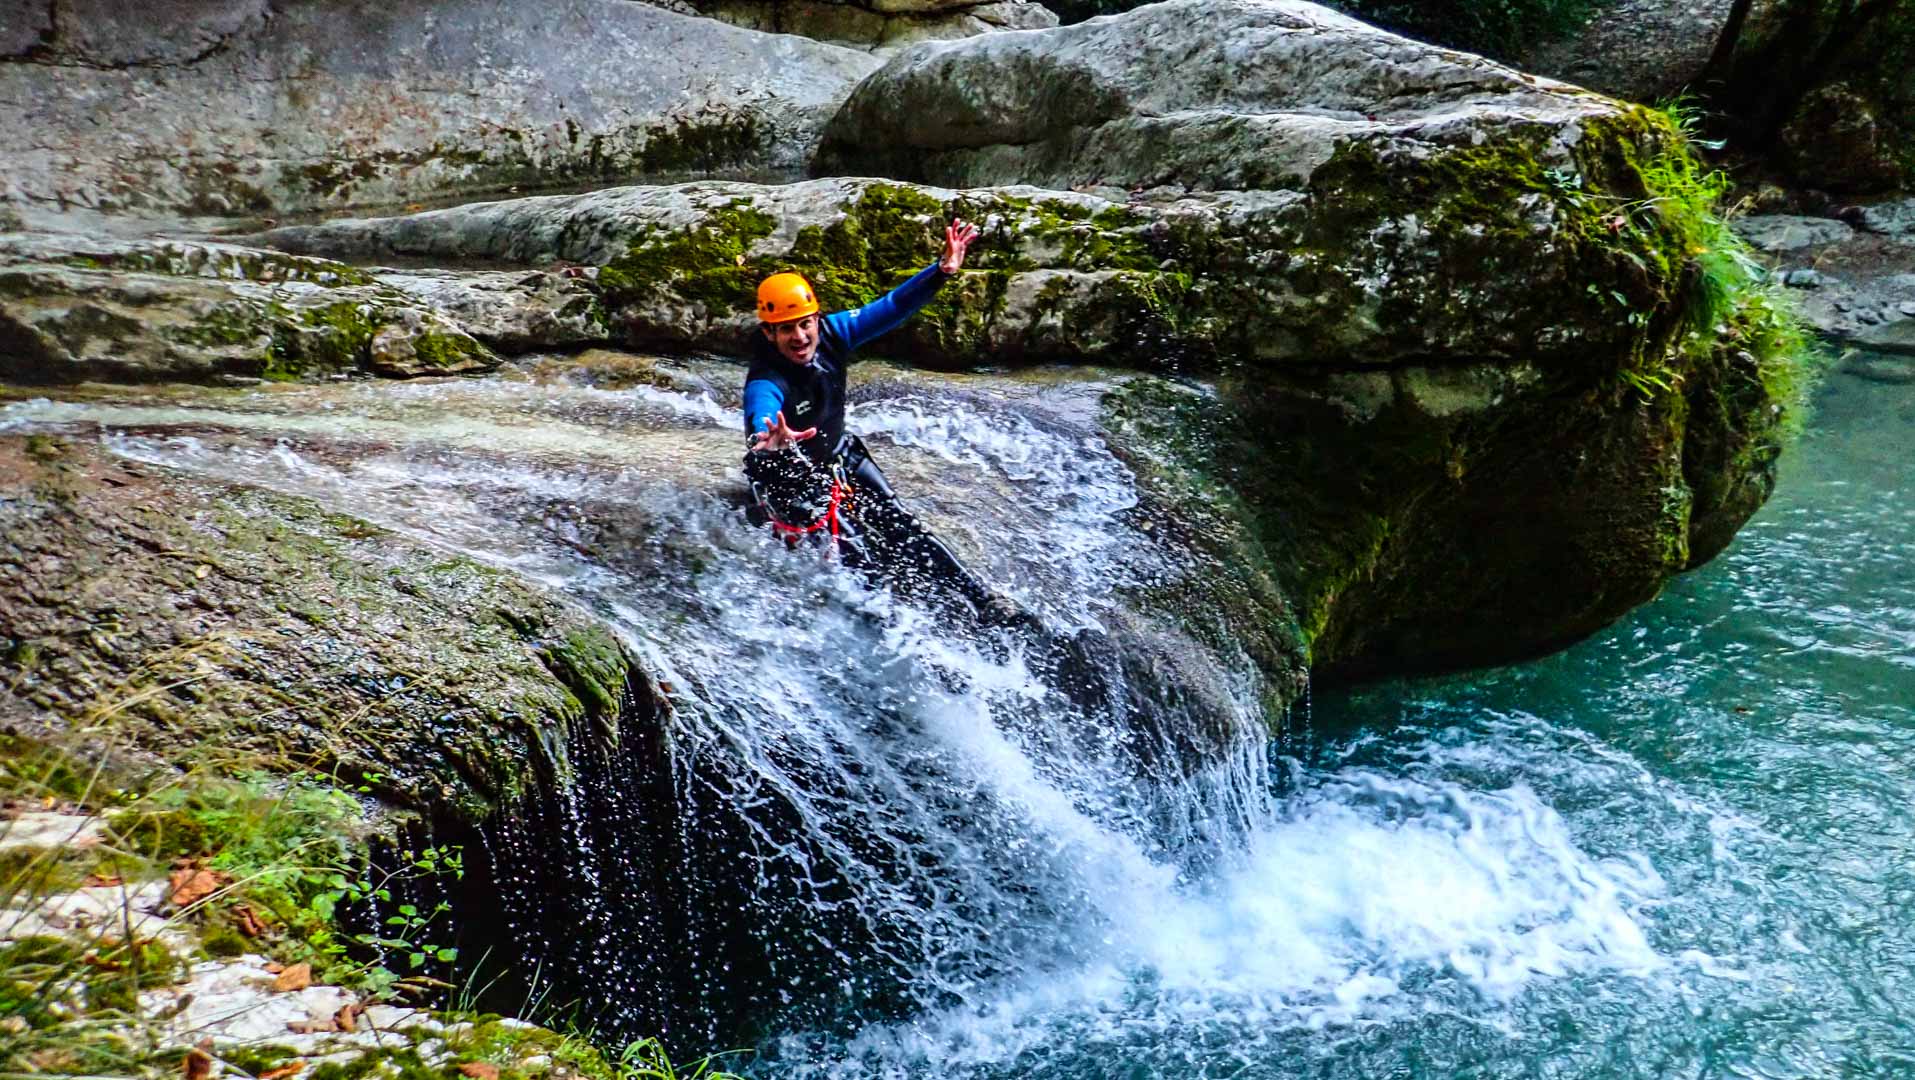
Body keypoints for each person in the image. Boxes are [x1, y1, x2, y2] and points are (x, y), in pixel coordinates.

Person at [741, 218, 1023, 626]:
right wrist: (769, 437)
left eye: (805, 324)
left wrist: (940, 272)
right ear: (770, 334)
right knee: (860, 557)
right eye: (787, 330)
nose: (800, 337)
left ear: (817, 319)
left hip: (839, 457)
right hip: (790, 477)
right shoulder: (766, 377)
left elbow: (890, 307)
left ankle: (980, 602)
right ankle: (904, 631)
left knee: (901, 525)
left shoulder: (835, 333)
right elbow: (760, 411)